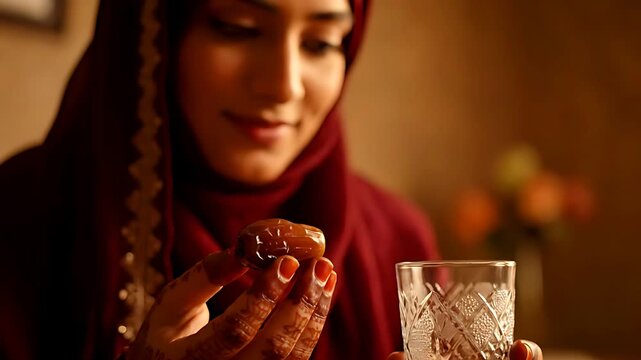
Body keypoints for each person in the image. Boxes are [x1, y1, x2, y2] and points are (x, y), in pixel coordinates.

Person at [0, 0, 543, 359]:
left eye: (321, 43)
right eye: (237, 28)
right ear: (153, 33)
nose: (283, 85)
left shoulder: (398, 241)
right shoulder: (20, 216)